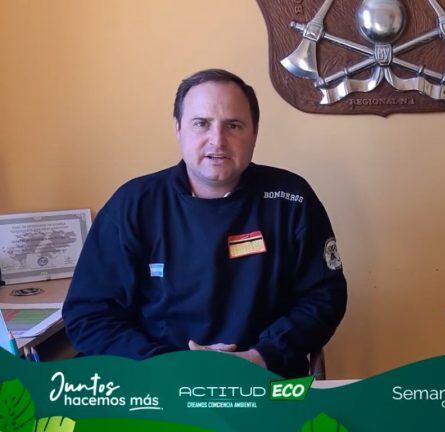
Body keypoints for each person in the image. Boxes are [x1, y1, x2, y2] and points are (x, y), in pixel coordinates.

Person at [63, 69, 347, 378]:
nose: (217, 141)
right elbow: (88, 315)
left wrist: (262, 356)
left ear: (254, 133)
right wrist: (167, 365)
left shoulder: (291, 199)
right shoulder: (133, 204)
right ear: (178, 129)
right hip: (158, 382)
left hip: (267, 378)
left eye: (233, 125)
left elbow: (324, 297)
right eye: (201, 124)